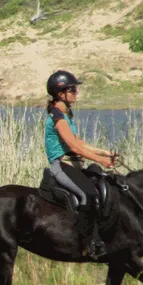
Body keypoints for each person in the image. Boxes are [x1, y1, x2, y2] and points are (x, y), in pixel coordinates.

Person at [44, 69, 116, 259]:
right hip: (62, 166)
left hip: (75, 166)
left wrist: (105, 153)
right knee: (88, 194)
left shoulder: (66, 115)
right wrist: (100, 159)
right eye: (73, 90)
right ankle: (85, 243)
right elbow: (74, 147)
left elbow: (81, 143)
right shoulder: (58, 117)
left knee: (102, 182)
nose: (76, 93)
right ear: (61, 94)